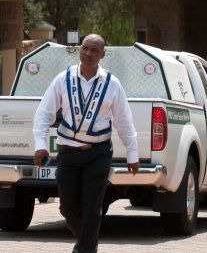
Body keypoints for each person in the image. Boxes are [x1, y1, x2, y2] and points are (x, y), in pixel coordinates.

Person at [33, 34, 139, 253]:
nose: (88, 54)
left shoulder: (112, 83)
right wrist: (40, 143)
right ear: (80, 50)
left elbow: (123, 120)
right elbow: (44, 113)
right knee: (67, 208)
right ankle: (87, 244)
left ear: (103, 54)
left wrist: (132, 153)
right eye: (85, 49)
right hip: (68, 153)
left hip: (98, 153)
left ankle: (86, 249)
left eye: (94, 50)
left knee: (92, 208)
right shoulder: (64, 78)